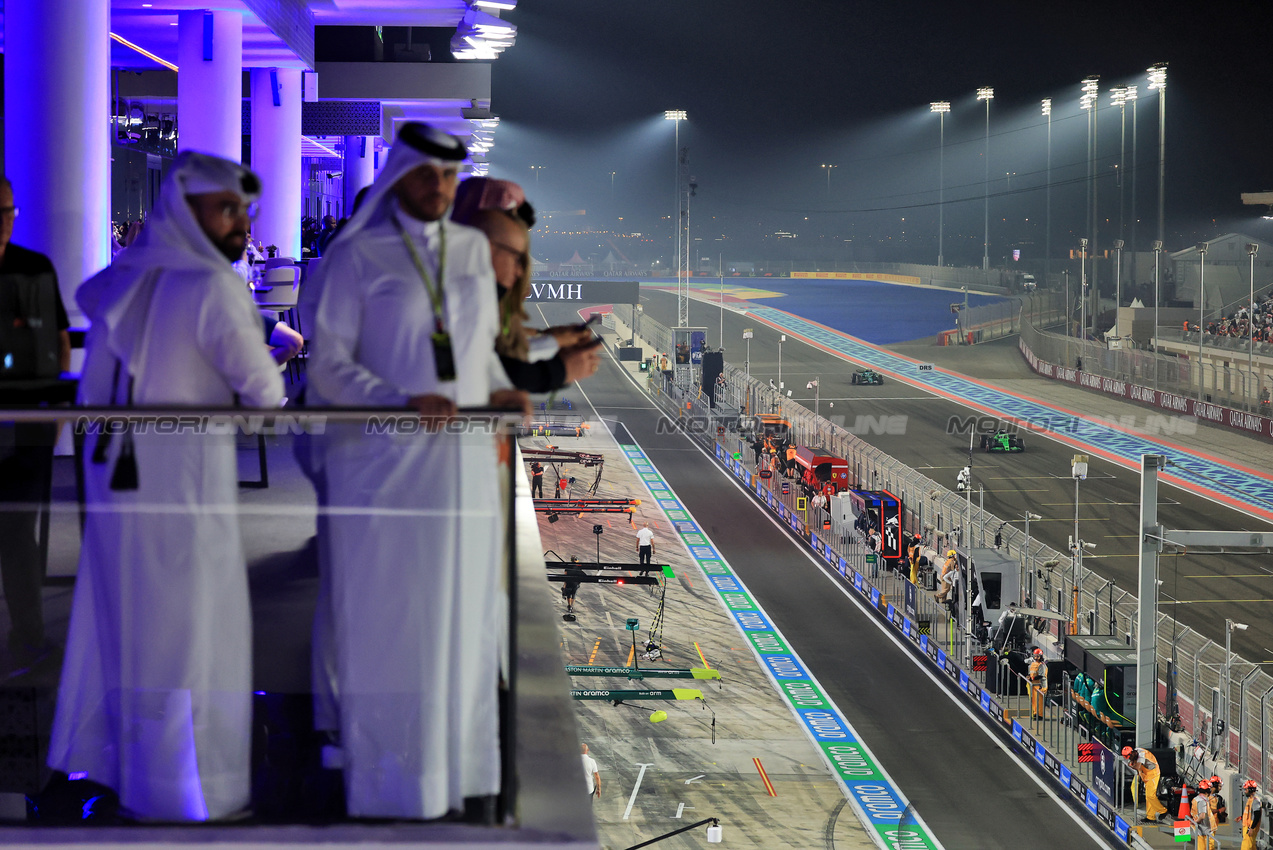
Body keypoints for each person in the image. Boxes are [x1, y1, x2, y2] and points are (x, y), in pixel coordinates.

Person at [48, 152, 284, 821]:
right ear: (187, 210)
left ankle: (129, 770)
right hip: (184, 487)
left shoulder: (127, 273)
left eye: (244, 210)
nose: (241, 224)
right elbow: (265, 394)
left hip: (112, 481)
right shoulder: (213, 286)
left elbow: (95, 324)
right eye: (226, 209)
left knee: (124, 614)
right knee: (190, 629)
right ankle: (180, 788)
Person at [307, 122, 528, 820]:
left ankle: (454, 775)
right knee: (389, 624)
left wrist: (500, 388)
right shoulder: (355, 257)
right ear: (400, 175)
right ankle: (387, 784)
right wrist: (398, 402)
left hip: (460, 470)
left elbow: (474, 350)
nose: (440, 187)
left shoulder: (471, 250)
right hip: (379, 470)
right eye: (428, 174)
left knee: (459, 621)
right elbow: (327, 366)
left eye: (450, 176)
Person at [0, 175, 72, 669]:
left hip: (26, 421)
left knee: (19, 534)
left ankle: (27, 637)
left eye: (9, 211)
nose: (5, 221)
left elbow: (60, 341)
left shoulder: (34, 267)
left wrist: (56, 415)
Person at [449, 177, 599, 392]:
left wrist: (550, 340)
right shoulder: (459, 295)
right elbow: (487, 370)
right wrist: (560, 368)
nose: (518, 273)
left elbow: (494, 359)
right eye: (514, 257)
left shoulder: (465, 289)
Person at [1122, 746, 1168, 823]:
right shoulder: (1136, 752)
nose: (1129, 759)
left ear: (1132, 753)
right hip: (1147, 775)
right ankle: (1151, 817)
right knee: (1148, 796)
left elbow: (1138, 766)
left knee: (1151, 796)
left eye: (1129, 757)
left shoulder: (1142, 755)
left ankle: (1163, 811)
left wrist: (1132, 765)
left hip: (1153, 774)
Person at [1191, 781, 1218, 850]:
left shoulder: (1197, 799)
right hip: (1204, 830)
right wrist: (1196, 822)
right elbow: (1202, 816)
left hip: (1201, 830)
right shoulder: (1202, 801)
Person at [1239, 780, 1260, 850]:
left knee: (1245, 847)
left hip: (1249, 828)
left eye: (1246, 789)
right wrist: (1241, 817)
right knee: (1252, 846)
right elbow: (1249, 814)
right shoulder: (1250, 800)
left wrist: (1251, 828)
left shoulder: (1255, 801)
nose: (1245, 791)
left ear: (1250, 790)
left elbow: (1257, 816)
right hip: (1247, 827)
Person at [1028, 647, 1047, 721]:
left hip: (1040, 685)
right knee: (1034, 700)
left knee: (1039, 701)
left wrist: (1032, 678)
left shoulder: (1042, 665)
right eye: (1035, 656)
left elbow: (1041, 675)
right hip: (1033, 685)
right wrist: (1029, 677)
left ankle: (1040, 715)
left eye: (1037, 656)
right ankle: (1035, 713)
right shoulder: (1032, 664)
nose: (1036, 658)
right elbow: (1031, 673)